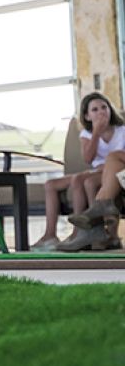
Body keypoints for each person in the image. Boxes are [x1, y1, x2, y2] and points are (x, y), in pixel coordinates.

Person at [34, 92, 125, 251]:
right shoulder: (87, 133)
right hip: (96, 170)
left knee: (87, 181)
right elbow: (88, 159)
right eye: (95, 110)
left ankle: (87, 233)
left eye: (104, 107)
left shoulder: (121, 130)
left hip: (111, 171)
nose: (101, 112)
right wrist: (96, 132)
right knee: (51, 184)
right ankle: (53, 234)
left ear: (111, 110)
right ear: (87, 116)